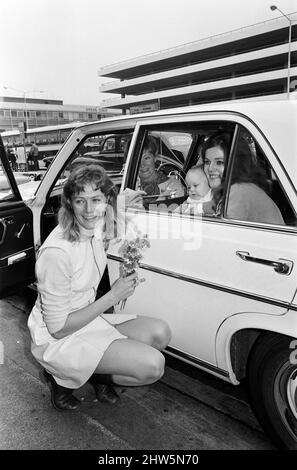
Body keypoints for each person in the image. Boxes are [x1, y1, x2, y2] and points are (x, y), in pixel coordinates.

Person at [27, 164, 171, 411]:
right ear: (70, 203)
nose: (89, 209)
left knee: (160, 332)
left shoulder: (95, 226)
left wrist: (129, 200)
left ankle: (92, 370)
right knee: (153, 366)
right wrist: (113, 296)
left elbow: (116, 214)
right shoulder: (57, 253)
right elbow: (58, 329)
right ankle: (61, 378)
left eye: (96, 199)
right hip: (58, 337)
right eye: (80, 201)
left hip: (87, 318)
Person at [201, 132, 284, 225]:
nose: (210, 168)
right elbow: (212, 206)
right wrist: (190, 208)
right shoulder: (240, 188)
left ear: (237, 164)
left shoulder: (239, 191)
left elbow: (223, 232)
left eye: (219, 162)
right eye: (207, 162)